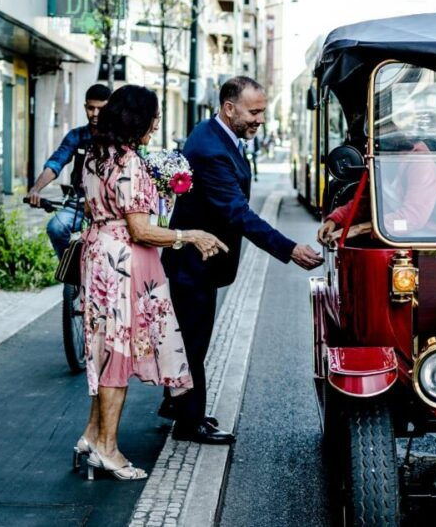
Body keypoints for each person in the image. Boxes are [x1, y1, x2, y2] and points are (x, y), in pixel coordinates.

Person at [160, 76, 323, 444]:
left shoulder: (215, 134)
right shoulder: (210, 150)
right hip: (194, 263)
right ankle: (188, 422)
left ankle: (177, 406)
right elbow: (237, 212)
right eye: (254, 112)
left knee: (191, 337)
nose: (260, 119)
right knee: (193, 342)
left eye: (262, 111)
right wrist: (289, 249)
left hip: (198, 262)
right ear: (229, 108)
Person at [77, 85, 227, 480]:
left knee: (104, 351)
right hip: (122, 264)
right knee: (116, 354)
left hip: (98, 255)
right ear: (136, 119)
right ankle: (107, 449)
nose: (156, 124)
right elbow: (141, 230)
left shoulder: (94, 155)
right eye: (153, 117)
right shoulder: (129, 162)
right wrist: (188, 235)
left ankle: (91, 436)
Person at [28, 84, 111, 258]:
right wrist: (36, 189)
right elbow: (55, 163)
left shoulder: (118, 138)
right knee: (56, 227)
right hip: (79, 204)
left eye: (101, 109)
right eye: (91, 108)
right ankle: (69, 266)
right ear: (85, 107)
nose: (95, 114)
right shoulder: (76, 136)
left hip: (110, 208)